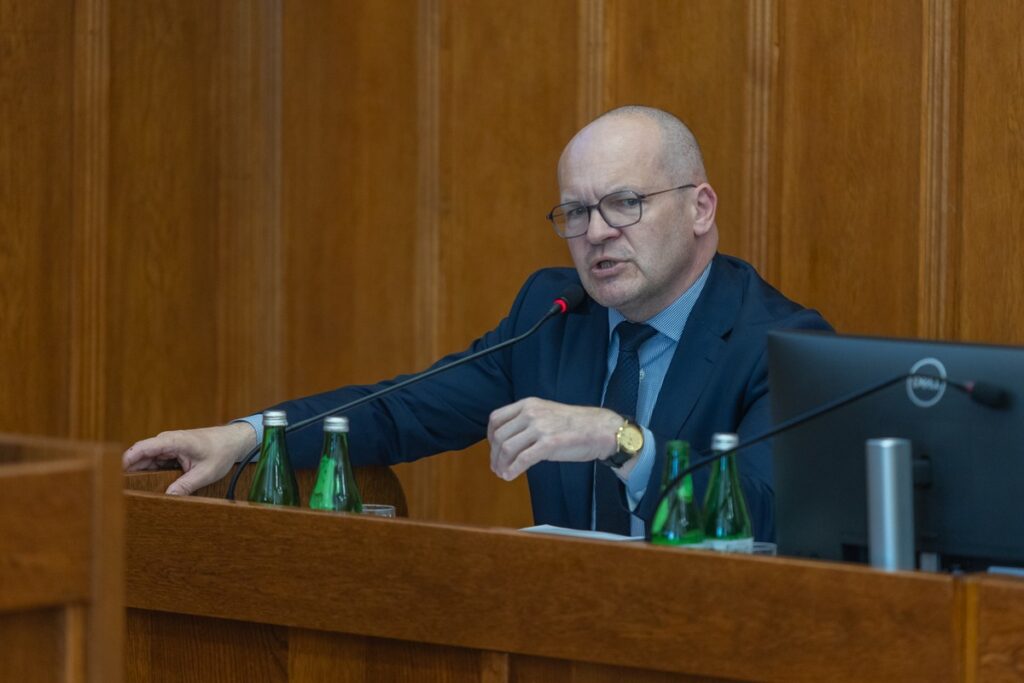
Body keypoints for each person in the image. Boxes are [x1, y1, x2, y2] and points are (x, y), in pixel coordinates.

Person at [123, 105, 831, 539]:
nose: (597, 234)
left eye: (624, 203)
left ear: (700, 208)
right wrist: (247, 435)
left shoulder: (782, 344)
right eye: (576, 213)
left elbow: (774, 518)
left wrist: (621, 441)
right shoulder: (554, 314)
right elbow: (400, 410)